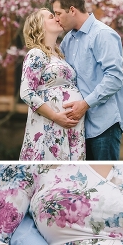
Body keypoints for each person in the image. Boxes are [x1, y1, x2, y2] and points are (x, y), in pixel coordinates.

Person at [51, 0, 123, 160]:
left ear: (72, 10)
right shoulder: (68, 40)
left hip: (103, 126)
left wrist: (85, 104)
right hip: (78, 128)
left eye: (58, 13)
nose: (56, 19)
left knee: (104, 181)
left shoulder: (103, 35)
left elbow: (114, 78)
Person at [19, 9, 85, 160]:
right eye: (51, 17)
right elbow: (26, 92)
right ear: (39, 26)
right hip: (50, 126)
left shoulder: (60, 56)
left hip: (70, 129)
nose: (57, 18)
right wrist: (56, 116)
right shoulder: (36, 54)